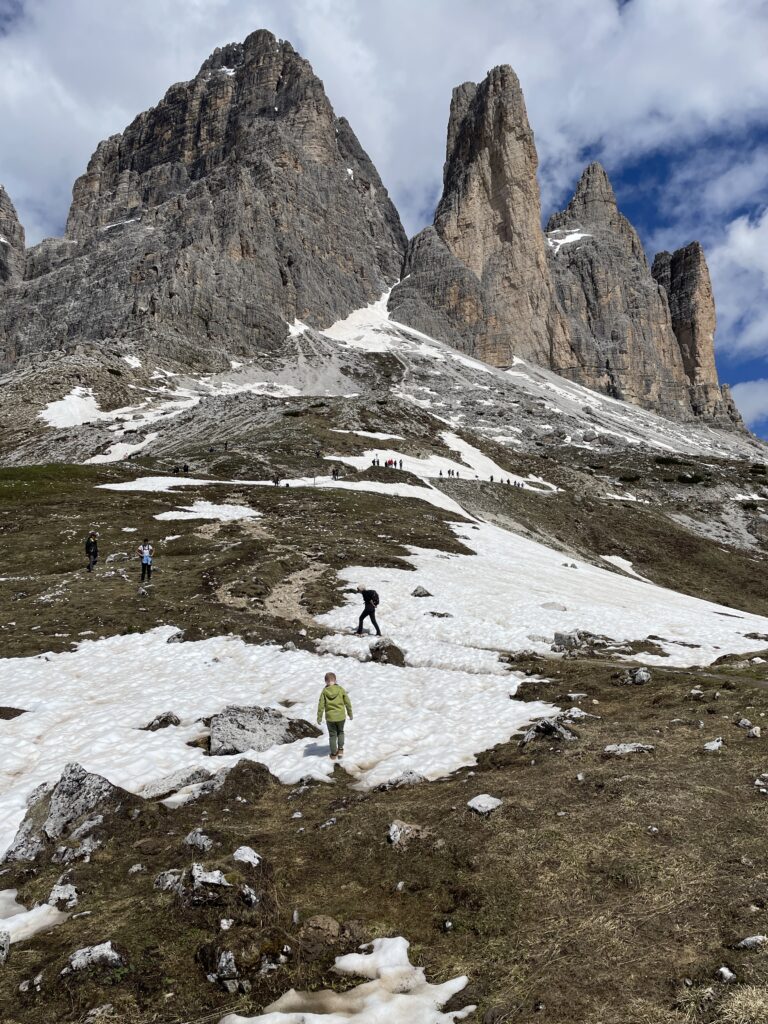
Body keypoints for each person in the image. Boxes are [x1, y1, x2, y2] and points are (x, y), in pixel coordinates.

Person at [317, 671, 353, 760]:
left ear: (325, 681)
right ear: (335, 680)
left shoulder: (324, 691)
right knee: (340, 732)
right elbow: (347, 702)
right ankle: (340, 749)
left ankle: (333, 754)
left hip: (330, 718)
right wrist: (350, 713)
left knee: (332, 735)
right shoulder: (340, 689)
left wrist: (319, 717)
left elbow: (321, 705)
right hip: (341, 716)